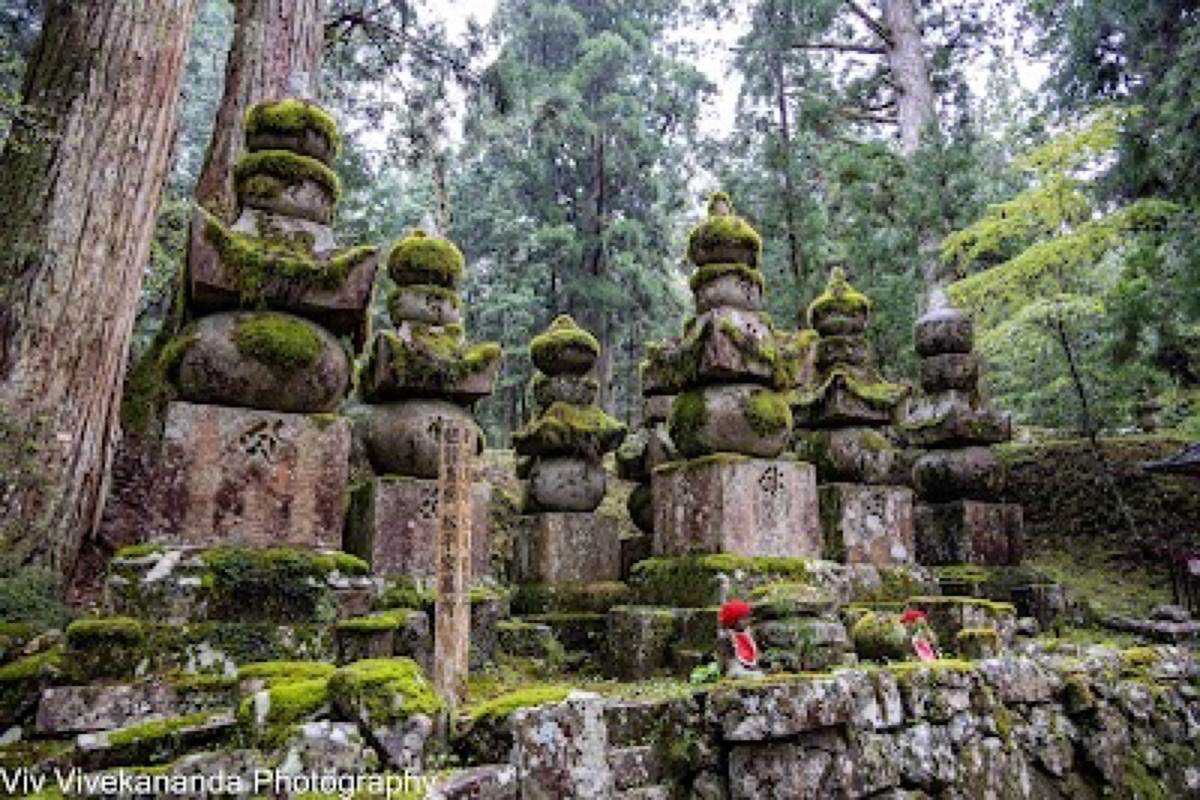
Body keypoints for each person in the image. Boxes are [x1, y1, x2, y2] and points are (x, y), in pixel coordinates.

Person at [719, 599, 763, 678]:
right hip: (733, 667)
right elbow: (727, 660)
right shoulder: (726, 637)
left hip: (749, 668)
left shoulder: (749, 634)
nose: (747, 621)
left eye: (748, 618)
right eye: (743, 619)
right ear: (732, 621)